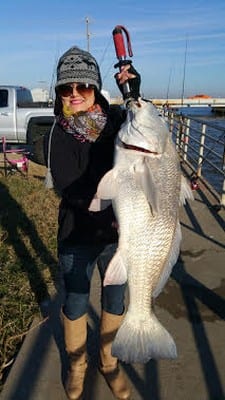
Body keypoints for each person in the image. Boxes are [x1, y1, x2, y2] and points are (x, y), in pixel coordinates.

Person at [45, 45, 141, 400]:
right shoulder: (58, 133)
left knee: (115, 300)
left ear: (96, 88)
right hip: (77, 236)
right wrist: (112, 208)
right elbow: (68, 186)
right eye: (65, 89)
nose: (74, 95)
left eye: (82, 87)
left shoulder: (116, 121)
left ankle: (109, 362)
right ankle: (77, 365)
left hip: (118, 238)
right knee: (75, 302)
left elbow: (143, 129)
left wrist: (135, 91)